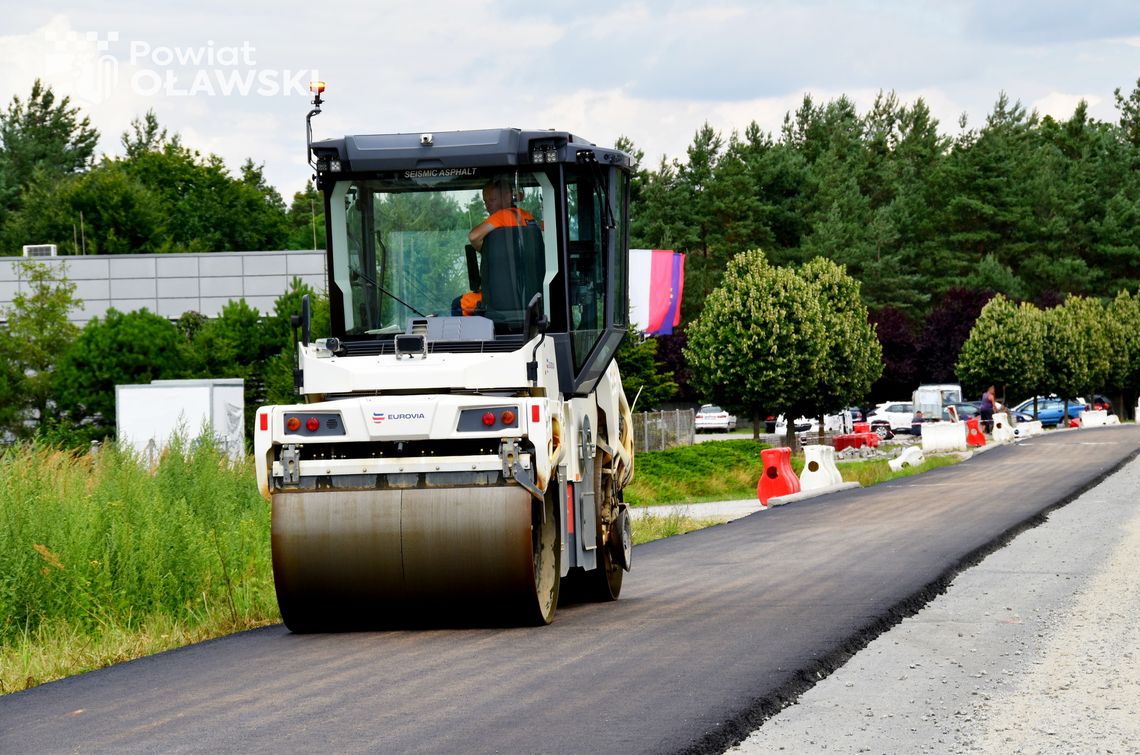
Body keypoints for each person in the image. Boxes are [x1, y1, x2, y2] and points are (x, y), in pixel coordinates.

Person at [468, 178, 538, 252]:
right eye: (485, 201)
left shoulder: (502, 215)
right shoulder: (527, 215)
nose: (487, 205)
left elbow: (473, 236)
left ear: (507, 197)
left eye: (492, 200)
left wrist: (485, 253)